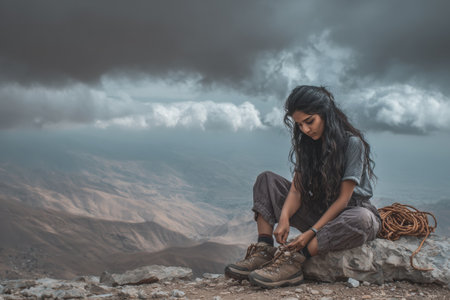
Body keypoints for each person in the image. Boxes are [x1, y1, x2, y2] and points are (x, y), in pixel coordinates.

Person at [224, 85, 381, 289]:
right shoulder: (307, 145)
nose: (305, 130)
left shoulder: (352, 144)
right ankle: (263, 250)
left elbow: (343, 200)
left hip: (348, 213)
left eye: (309, 121)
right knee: (266, 180)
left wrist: (311, 232)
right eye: (299, 125)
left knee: (362, 219)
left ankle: (293, 261)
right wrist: (284, 218)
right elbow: (297, 190)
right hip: (320, 210)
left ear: (326, 114)